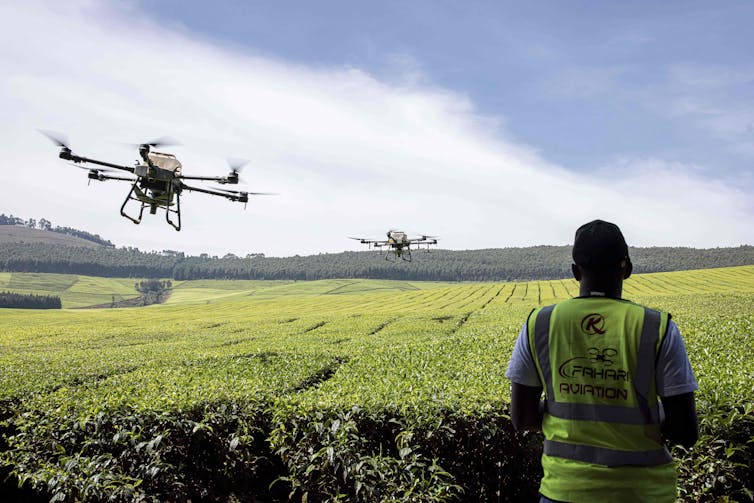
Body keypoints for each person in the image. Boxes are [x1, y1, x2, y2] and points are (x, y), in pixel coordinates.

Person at [505, 220, 698, 503]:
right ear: (628, 268)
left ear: (574, 271)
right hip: (642, 493)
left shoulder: (541, 324)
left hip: (564, 492)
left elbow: (522, 419)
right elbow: (685, 432)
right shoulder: (657, 327)